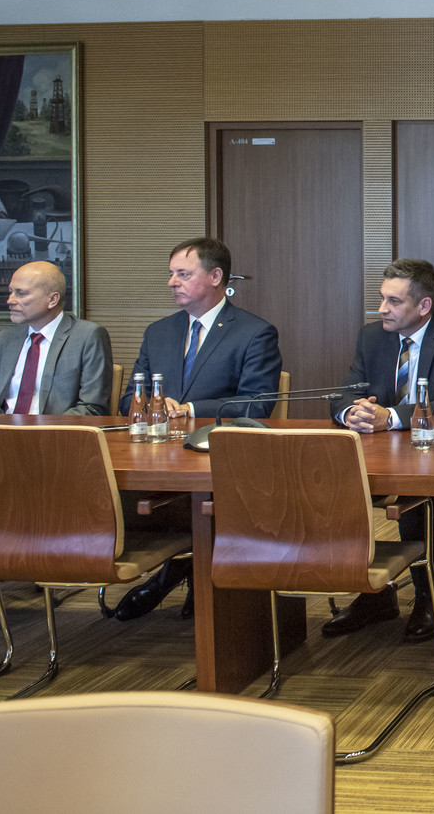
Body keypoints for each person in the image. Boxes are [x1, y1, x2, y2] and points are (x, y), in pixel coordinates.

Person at [112, 237, 282, 622]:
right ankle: (180, 567)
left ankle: (184, 574)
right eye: (171, 273)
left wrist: (188, 409)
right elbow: (128, 400)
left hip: (220, 463)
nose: (171, 282)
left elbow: (256, 404)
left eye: (183, 274)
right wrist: (151, 406)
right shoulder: (158, 332)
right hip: (156, 459)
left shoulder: (254, 332)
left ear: (216, 277)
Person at [323, 258, 434, 644]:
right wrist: (352, 413)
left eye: (393, 301)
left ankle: (427, 598)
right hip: (378, 453)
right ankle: (373, 594)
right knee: (336, 486)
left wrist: (389, 417)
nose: (382, 309)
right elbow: (344, 393)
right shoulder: (371, 337)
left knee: (415, 497)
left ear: (424, 306)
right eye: (382, 299)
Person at [0, 260, 111, 415]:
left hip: (54, 429)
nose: (10, 300)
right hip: (0, 427)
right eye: (11, 292)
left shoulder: (87, 336)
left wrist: (41, 430)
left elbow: (92, 408)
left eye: (21, 293)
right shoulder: (2, 340)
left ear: (52, 299)